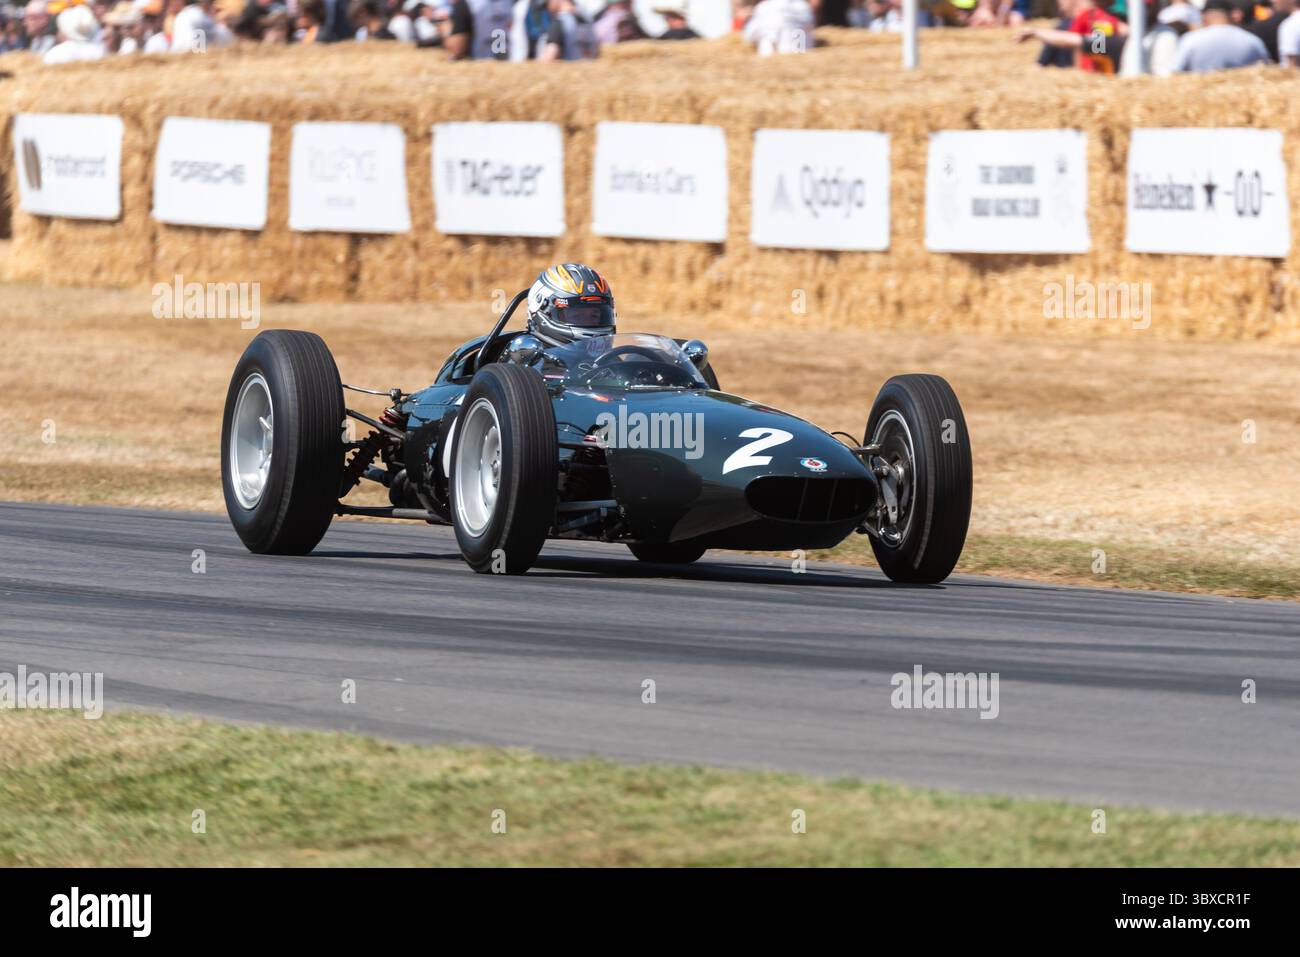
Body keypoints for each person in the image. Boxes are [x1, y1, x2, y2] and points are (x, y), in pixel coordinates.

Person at [524, 264, 617, 347]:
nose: (587, 322)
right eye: (576, 316)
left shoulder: (611, 361)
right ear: (543, 312)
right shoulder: (530, 362)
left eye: (594, 316)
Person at [1174, 0, 1269, 71]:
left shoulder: (1191, 39)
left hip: (1199, 95)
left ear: (1204, 16)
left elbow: (1175, 72)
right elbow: (1265, 70)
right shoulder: (1251, 40)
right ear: (1232, 14)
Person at [446, 0, 515, 57]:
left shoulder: (466, 4)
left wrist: (444, 32)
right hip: (514, 64)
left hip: (481, 62)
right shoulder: (517, 3)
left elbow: (458, 47)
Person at [742, 0, 812, 52]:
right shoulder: (804, 6)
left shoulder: (764, 7)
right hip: (799, 56)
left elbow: (749, 36)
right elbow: (810, 29)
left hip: (769, 62)